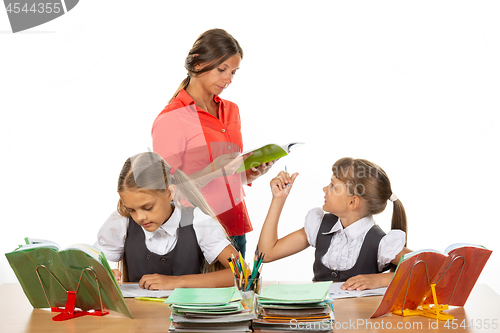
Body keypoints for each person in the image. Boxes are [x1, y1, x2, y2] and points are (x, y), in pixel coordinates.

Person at [152, 28, 275, 258]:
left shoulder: (231, 110)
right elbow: (168, 192)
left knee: (239, 294)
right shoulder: (172, 118)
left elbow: (229, 174)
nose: (228, 79)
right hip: (197, 232)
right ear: (198, 64)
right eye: (222, 70)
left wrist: (251, 173)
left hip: (235, 229)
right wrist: (216, 170)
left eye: (233, 72)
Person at [257, 157, 412, 291]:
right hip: (319, 320)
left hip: (358, 324)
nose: (324, 189)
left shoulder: (381, 243)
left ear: (352, 201)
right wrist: (278, 199)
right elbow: (266, 253)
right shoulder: (320, 226)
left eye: (332, 186)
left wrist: (382, 280)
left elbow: (430, 269)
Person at [94, 152, 241, 290]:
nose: (139, 217)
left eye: (148, 207)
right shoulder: (122, 220)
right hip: (138, 315)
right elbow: (86, 267)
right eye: (132, 210)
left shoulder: (198, 221)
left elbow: (241, 273)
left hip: (187, 315)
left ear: (170, 192)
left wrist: (176, 282)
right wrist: (101, 273)